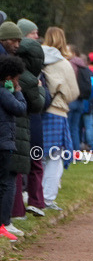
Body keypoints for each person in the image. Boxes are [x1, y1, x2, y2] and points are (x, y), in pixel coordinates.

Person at [40, 28, 80, 210]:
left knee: (37, 157)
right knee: (54, 159)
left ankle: (33, 197)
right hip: (56, 112)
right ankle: (47, 198)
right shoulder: (64, 64)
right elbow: (74, 93)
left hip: (37, 111)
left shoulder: (37, 60)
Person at [12, 35, 46, 218]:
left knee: (18, 168)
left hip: (21, 128)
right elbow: (40, 103)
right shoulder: (31, 79)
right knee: (35, 161)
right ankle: (36, 201)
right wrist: (40, 88)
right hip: (30, 126)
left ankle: (22, 206)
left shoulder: (13, 74)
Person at [0, 55, 27, 241]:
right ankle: (4, 223)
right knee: (7, 184)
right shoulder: (4, 93)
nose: (18, 81)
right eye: (16, 78)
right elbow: (20, 108)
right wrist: (18, 91)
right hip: (4, 143)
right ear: (9, 78)